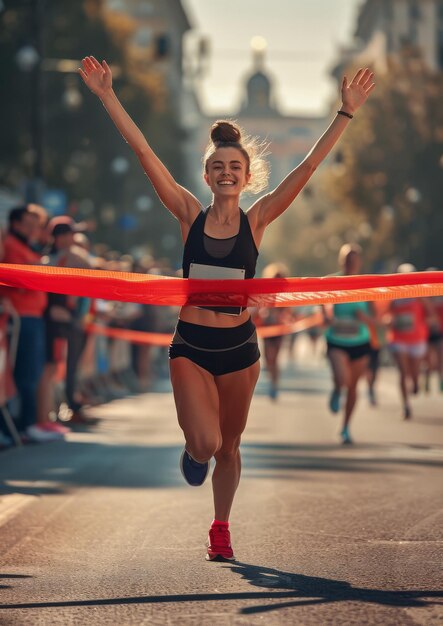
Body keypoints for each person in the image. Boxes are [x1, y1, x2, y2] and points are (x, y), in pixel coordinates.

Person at [80, 55, 375, 560]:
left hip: (239, 348)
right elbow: (145, 152)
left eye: (235, 168)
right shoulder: (188, 213)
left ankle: (221, 527)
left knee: (230, 447)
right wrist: (108, 96)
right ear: (207, 174)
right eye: (217, 167)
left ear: (246, 175)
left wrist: (344, 114)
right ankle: (193, 454)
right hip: (191, 346)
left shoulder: (257, 220)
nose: (225, 173)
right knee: (205, 443)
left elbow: (306, 168)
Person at [323, 244, 374, 444]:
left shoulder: (367, 283)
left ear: (359, 262)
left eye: (354, 259)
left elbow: (375, 317)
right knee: (343, 379)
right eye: (347, 259)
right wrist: (326, 315)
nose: (350, 262)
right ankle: (337, 389)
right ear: (341, 260)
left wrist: (365, 317)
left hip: (360, 340)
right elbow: (321, 302)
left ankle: (345, 427)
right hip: (336, 339)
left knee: (353, 387)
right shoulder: (331, 281)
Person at [387, 263, 434, 419]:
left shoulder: (420, 294)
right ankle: (405, 405)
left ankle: (415, 382)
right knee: (402, 372)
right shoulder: (393, 294)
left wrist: (428, 319)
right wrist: (389, 320)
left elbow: (430, 314)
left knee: (414, 373)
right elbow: (386, 313)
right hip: (398, 338)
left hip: (417, 338)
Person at [258, 262, 291, 400]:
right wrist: (263, 313)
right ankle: (273, 380)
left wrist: (281, 315)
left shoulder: (285, 293)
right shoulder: (265, 291)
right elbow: (260, 308)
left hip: (279, 329)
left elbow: (288, 311)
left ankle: (274, 385)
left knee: (274, 358)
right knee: (268, 358)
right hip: (267, 328)